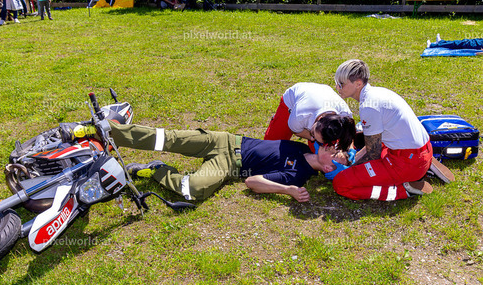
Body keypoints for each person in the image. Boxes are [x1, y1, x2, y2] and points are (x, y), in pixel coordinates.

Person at [67, 118, 351, 202]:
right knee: (165, 138)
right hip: (224, 140)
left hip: (229, 165)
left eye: (335, 153)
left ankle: (154, 171)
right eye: (334, 146)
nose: (332, 147)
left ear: (328, 167)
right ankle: (100, 130)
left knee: (194, 190)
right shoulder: (303, 144)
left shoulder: (298, 176)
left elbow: (252, 182)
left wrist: (288, 190)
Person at [329, 59, 453, 201]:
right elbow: (374, 143)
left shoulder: (368, 106)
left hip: (407, 162)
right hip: (421, 150)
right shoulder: (380, 92)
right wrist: (354, 159)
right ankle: (426, 165)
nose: (337, 87)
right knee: (371, 149)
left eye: (341, 84)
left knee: (340, 183)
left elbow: (373, 154)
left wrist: (350, 169)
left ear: (358, 84)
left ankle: (403, 189)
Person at [264, 82, 354, 154]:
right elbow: (296, 131)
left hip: (323, 95)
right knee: (270, 147)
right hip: (294, 99)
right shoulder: (299, 116)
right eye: (313, 133)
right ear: (319, 119)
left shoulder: (344, 114)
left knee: (319, 152)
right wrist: (311, 137)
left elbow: (349, 135)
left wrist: (350, 150)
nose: (314, 137)